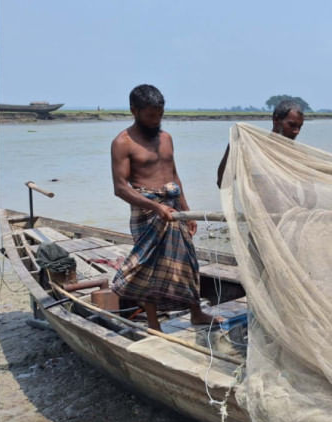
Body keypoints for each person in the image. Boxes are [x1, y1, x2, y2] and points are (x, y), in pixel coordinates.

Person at [110, 84, 219, 331]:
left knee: (188, 261)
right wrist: (155, 207)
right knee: (149, 266)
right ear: (134, 111)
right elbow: (120, 188)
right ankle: (153, 323)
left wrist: (187, 211)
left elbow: (174, 175)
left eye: (159, 114)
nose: (156, 120)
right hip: (147, 211)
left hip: (174, 208)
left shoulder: (166, 138)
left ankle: (196, 312)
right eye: (150, 115)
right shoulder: (122, 142)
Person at [216, 101, 304, 187]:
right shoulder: (253, 150)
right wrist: (233, 144)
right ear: (276, 120)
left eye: (299, 127)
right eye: (292, 125)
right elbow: (223, 182)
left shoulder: (299, 156)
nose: (297, 131)